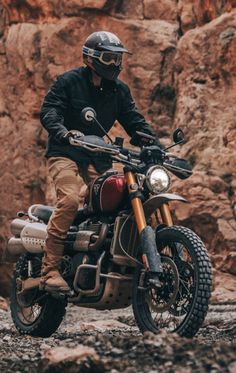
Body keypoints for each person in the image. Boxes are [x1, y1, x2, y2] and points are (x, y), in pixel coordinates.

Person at [40, 31, 161, 292]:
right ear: (90, 58)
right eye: (109, 58)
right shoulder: (68, 81)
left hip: (99, 155)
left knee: (120, 201)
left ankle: (126, 261)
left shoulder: (119, 90)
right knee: (70, 199)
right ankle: (50, 269)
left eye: (118, 58)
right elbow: (50, 111)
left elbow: (134, 122)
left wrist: (153, 144)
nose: (115, 64)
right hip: (66, 152)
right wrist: (63, 132)